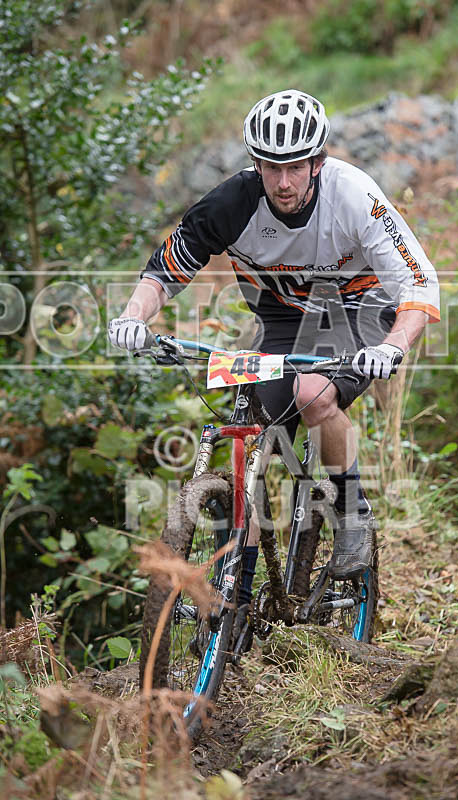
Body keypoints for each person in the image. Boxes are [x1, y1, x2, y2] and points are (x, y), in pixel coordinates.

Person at [109, 89, 440, 615]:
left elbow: (419, 283)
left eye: (295, 167)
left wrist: (393, 346)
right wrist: (132, 317)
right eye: (270, 168)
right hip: (284, 317)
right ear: (256, 165)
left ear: (317, 161)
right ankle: (238, 585)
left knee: (312, 393)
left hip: (359, 306)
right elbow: (165, 271)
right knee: (255, 420)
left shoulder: (354, 195)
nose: (283, 182)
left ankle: (352, 513)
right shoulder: (231, 204)